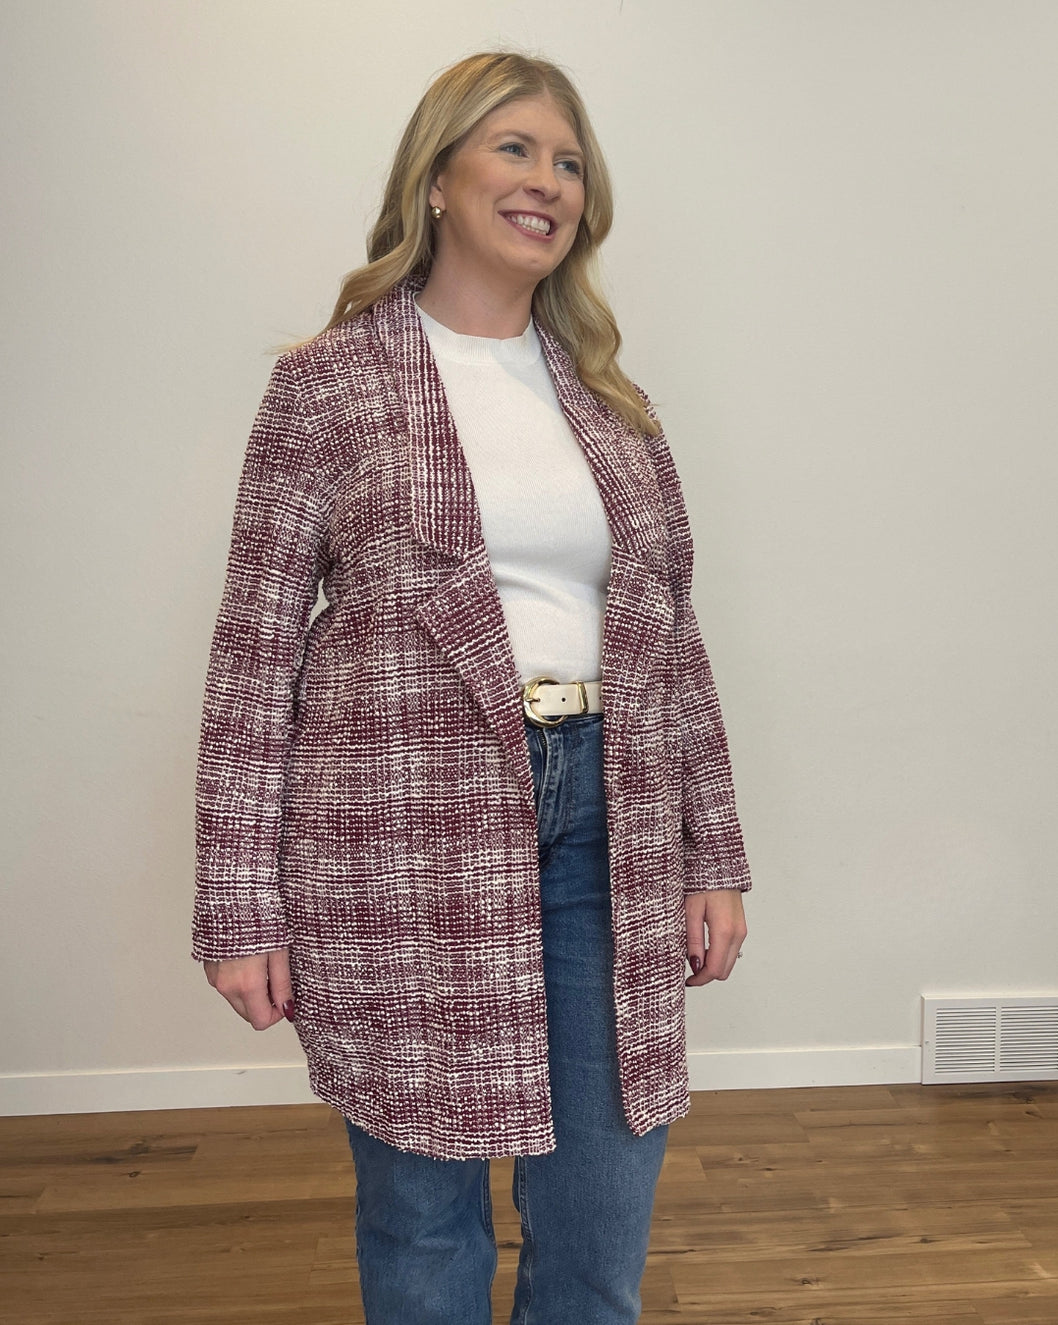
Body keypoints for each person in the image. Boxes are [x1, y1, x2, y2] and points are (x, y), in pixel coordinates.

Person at [193, 49, 750, 1325]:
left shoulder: (613, 406)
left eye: (567, 162)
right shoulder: (328, 384)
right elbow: (253, 651)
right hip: (395, 835)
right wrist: (238, 901)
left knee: (601, 1208)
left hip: (608, 813)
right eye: (514, 149)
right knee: (422, 1209)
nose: (546, 181)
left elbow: (674, 641)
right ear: (436, 177)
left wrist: (710, 852)